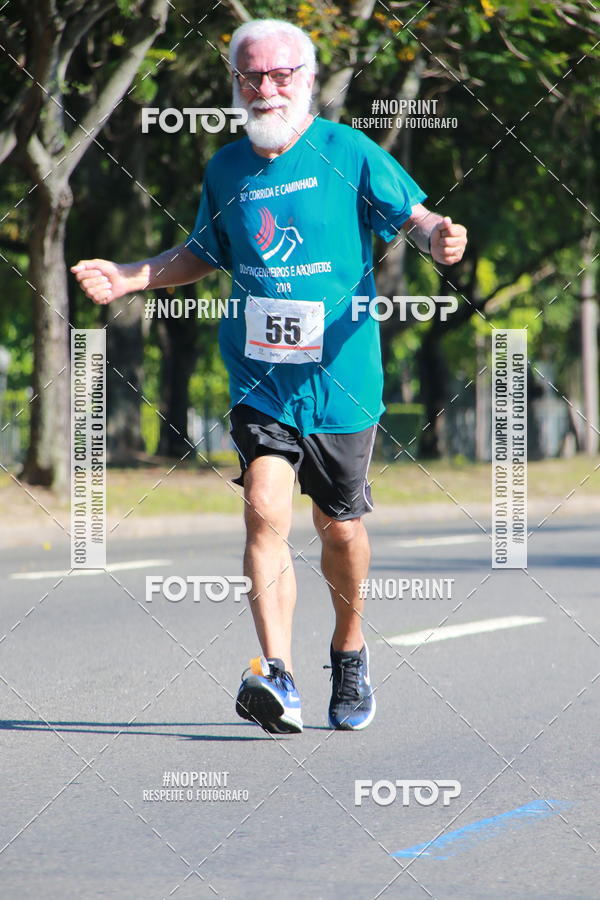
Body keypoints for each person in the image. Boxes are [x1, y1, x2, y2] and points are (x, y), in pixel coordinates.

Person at [72, 18, 467, 735]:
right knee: (262, 506)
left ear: (307, 79)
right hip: (260, 375)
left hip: (342, 378)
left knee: (339, 529)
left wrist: (438, 235)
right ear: (236, 83)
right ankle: (277, 674)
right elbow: (201, 253)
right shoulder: (225, 168)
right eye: (251, 75)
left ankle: (349, 651)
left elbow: (414, 217)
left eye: (281, 74)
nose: (266, 87)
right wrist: (131, 276)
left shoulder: (348, 151)